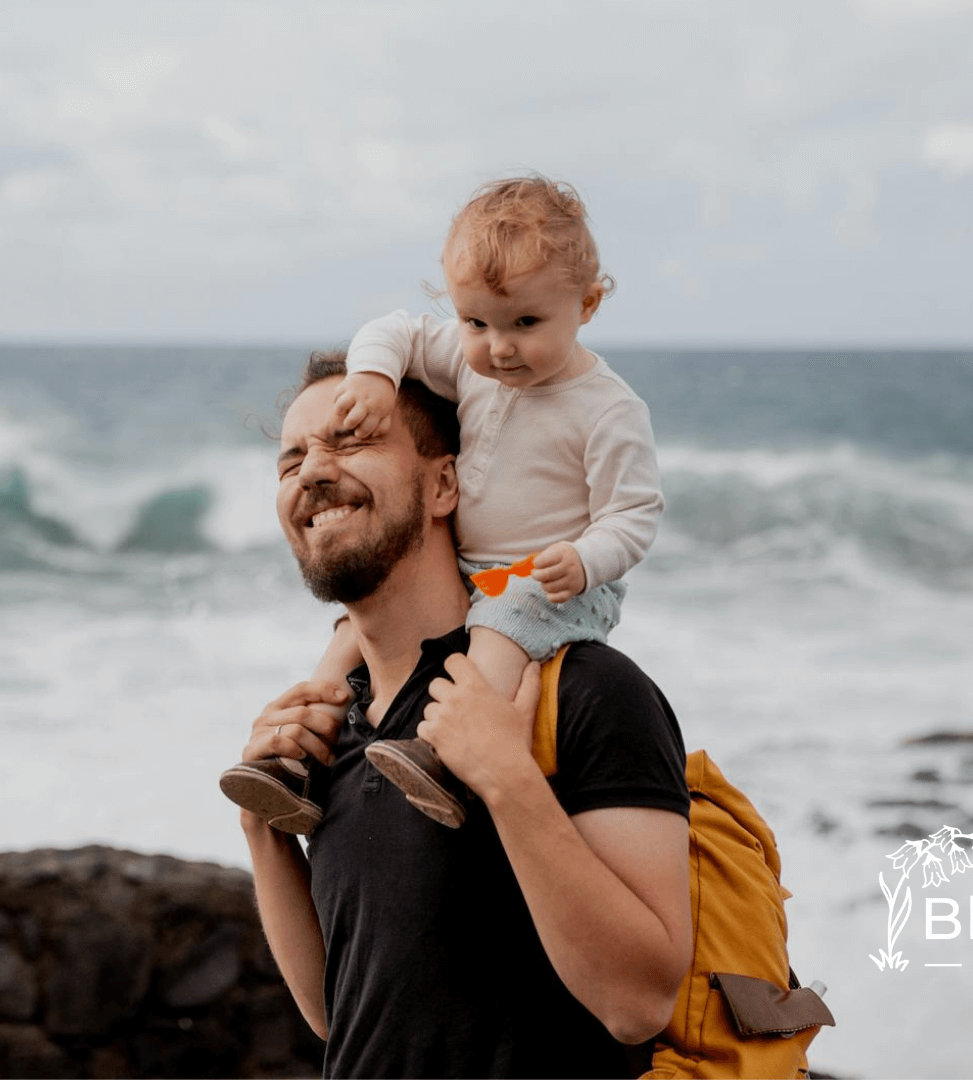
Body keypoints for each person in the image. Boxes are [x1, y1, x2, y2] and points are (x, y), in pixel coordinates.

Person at [234, 350, 691, 1077]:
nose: (312, 473)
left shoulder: (584, 690)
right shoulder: (337, 734)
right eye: (291, 462)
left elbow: (638, 1001)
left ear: (445, 482)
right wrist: (264, 834)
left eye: (351, 440)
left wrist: (506, 780)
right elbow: (342, 1014)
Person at [221, 175, 663, 831]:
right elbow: (392, 331)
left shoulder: (608, 410)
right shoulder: (470, 362)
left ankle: (441, 759)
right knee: (351, 635)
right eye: (475, 321)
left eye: (526, 323)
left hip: (551, 579)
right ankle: (301, 759)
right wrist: (372, 380)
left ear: (589, 304)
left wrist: (586, 558)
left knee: (499, 621)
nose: (498, 347)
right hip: (476, 567)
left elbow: (634, 514)